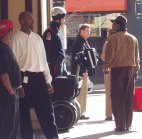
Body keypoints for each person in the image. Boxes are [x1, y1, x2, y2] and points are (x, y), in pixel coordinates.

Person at [11, 11, 59, 139]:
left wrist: (48, 81)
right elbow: (14, 65)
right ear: (22, 21)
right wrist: (18, 85)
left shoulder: (37, 38)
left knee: (47, 111)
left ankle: (52, 136)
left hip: (39, 79)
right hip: (24, 78)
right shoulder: (15, 38)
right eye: (29, 18)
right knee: (24, 113)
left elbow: (43, 61)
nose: (32, 20)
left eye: (32, 18)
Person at [103, 15, 140, 131]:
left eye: (114, 23)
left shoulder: (113, 39)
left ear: (118, 25)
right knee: (128, 97)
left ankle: (120, 125)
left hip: (117, 70)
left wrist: (105, 67)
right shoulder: (133, 38)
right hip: (130, 70)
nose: (112, 25)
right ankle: (128, 124)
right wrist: (136, 70)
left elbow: (109, 57)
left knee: (117, 97)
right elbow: (137, 57)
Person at [0, 19, 24, 139]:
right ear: (9, 32)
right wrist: (10, 92)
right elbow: (3, 74)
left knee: (11, 125)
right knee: (8, 126)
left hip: (8, 92)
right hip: (6, 94)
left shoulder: (5, 48)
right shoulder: (3, 50)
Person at [71, 23, 91, 120]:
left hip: (84, 71)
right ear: (81, 31)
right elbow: (79, 58)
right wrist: (83, 70)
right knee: (81, 93)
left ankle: (82, 111)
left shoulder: (84, 41)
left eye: (89, 31)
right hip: (80, 72)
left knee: (84, 92)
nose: (89, 33)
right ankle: (80, 112)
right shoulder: (79, 42)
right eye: (87, 31)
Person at [43, 7, 66, 78]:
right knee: (56, 84)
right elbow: (47, 49)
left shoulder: (57, 30)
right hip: (54, 65)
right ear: (59, 18)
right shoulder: (50, 31)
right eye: (63, 18)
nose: (64, 20)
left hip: (59, 63)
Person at [101, 29, 115, 121]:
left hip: (109, 69)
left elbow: (103, 56)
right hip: (121, 69)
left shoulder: (108, 43)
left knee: (109, 92)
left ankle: (109, 114)